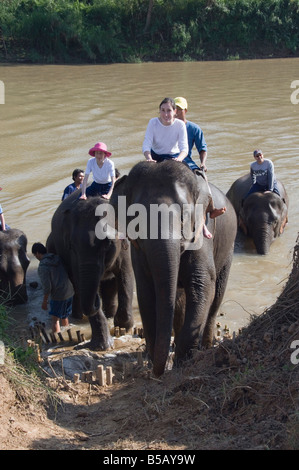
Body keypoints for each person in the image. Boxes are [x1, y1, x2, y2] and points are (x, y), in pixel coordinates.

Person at [174, 96, 226, 238]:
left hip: (187, 161)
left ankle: (208, 212)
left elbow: (202, 149)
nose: (176, 112)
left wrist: (203, 163)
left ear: (186, 111)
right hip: (169, 161)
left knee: (202, 180)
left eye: (179, 109)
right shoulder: (168, 126)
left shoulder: (194, 128)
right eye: (174, 109)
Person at [32, 243, 74, 334]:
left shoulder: (43, 266)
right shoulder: (57, 258)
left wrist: (44, 302)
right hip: (69, 291)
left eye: (35, 255)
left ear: (38, 253)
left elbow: (47, 287)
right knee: (64, 316)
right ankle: (67, 334)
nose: (36, 257)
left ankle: (57, 341)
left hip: (58, 295)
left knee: (55, 320)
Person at [142, 97, 188, 163]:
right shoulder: (153, 122)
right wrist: (149, 159)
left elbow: (184, 148)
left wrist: (179, 159)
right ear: (159, 111)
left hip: (174, 158)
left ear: (174, 111)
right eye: (163, 110)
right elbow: (146, 144)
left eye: (169, 110)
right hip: (155, 157)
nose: (166, 114)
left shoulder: (180, 124)